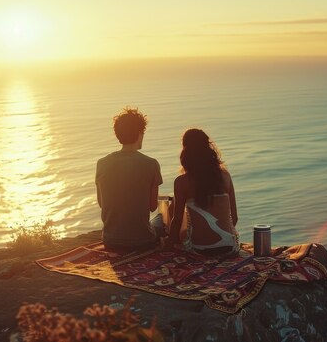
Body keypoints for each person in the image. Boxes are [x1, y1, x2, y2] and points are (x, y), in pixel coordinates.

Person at [164, 128, 240, 256]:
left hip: (199, 249)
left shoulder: (182, 182)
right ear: (208, 149)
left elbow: (176, 222)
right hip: (229, 247)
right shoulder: (225, 176)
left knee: (173, 208)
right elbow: (235, 218)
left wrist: (168, 245)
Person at [96, 107, 163, 251]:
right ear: (140, 133)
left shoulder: (102, 163)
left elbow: (102, 203)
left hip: (110, 240)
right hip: (143, 240)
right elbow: (152, 207)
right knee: (160, 220)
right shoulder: (151, 164)